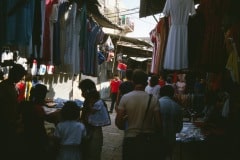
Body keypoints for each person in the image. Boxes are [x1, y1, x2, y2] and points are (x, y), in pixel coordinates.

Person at [115, 69, 162, 160]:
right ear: (146, 82)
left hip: (130, 139)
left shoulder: (125, 98)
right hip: (147, 140)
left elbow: (118, 123)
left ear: (133, 81)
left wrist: (126, 121)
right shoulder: (153, 99)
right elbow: (159, 124)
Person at [0, 63, 27, 159]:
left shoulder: (12, 86)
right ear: (14, 74)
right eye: (19, 76)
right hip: (6, 123)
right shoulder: (3, 87)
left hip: (11, 122)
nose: (20, 79)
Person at [20, 83, 51, 160]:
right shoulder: (38, 108)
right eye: (44, 95)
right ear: (41, 95)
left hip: (26, 135)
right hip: (36, 137)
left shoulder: (24, 104)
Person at [78, 79, 106, 160]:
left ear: (87, 91)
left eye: (83, 90)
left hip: (93, 133)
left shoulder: (95, 102)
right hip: (90, 132)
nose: (82, 93)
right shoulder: (89, 100)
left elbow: (88, 118)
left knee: (92, 155)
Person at [159, 85, 183, 160]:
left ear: (160, 93)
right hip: (171, 139)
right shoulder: (177, 107)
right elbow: (179, 128)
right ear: (172, 94)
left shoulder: (156, 104)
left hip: (158, 139)